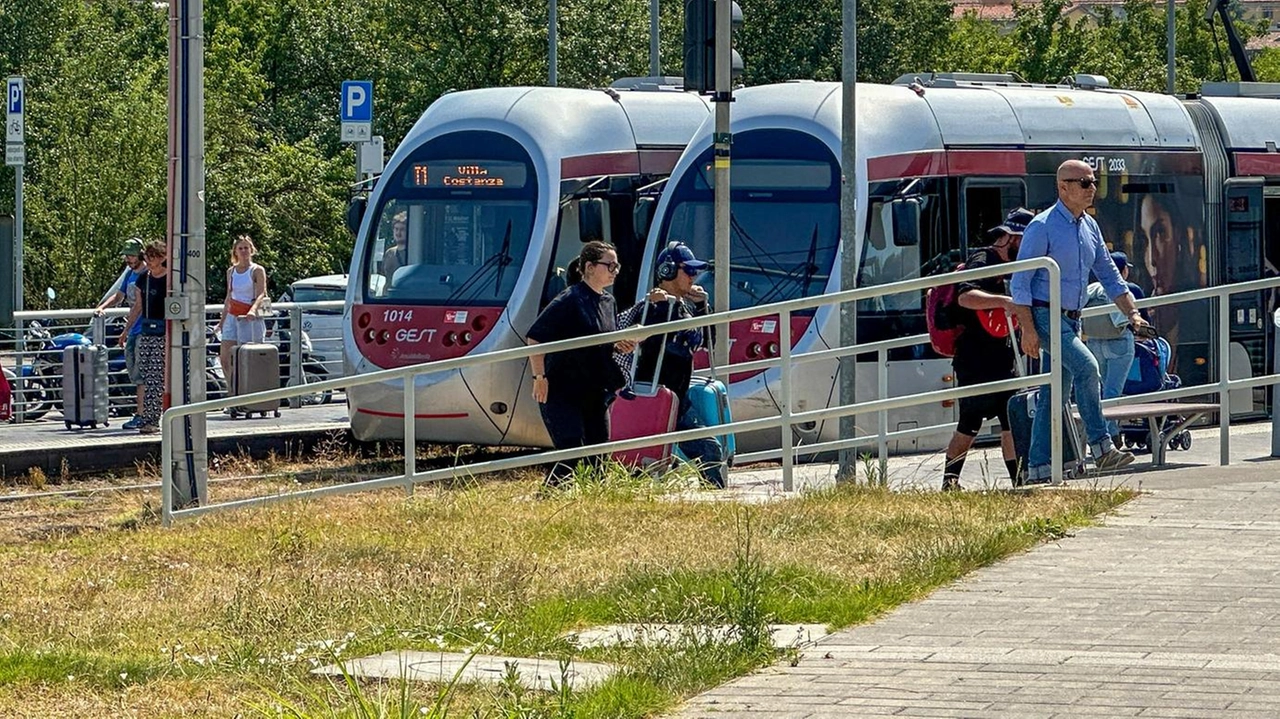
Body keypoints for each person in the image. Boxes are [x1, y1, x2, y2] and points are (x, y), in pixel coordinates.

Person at [1011, 160, 1151, 485]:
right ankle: (1102, 449)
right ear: (1063, 187)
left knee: (1053, 396)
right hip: (1045, 315)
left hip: (1072, 320)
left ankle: (1038, 470)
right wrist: (1029, 330)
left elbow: (1111, 276)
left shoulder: (1090, 226)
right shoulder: (1041, 226)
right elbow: (1020, 283)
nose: (1092, 189)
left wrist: (1133, 314)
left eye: (1093, 182)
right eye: (1084, 182)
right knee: (1088, 368)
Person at [615, 242, 726, 489]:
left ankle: (712, 494)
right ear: (668, 271)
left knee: (701, 450)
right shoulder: (652, 307)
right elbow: (672, 337)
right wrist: (665, 306)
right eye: (688, 271)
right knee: (702, 449)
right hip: (654, 395)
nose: (693, 277)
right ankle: (716, 498)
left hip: (677, 395)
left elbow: (706, 343)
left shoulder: (685, 306)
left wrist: (701, 307)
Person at [527, 241, 636, 487]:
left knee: (598, 456)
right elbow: (535, 336)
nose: (615, 271)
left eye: (617, 266)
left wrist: (619, 344)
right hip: (564, 388)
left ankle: (594, 505)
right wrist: (539, 377)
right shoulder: (570, 298)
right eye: (610, 265)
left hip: (595, 389)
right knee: (571, 451)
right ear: (589, 267)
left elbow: (601, 339)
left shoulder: (608, 301)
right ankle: (549, 499)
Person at [941, 208, 1035, 492]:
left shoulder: (1012, 265)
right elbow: (966, 296)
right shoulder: (982, 259)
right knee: (969, 424)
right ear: (1009, 238)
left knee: (1011, 421)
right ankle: (950, 483)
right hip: (975, 358)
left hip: (1002, 354)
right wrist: (1004, 301)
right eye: (1022, 240)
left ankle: (1018, 482)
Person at [1083, 252, 1140, 444]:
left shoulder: (1092, 288)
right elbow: (1138, 320)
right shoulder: (1125, 290)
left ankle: (1099, 432)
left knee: (1099, 390)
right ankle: (1110, 435)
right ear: (1121, 271)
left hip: (1094, 342)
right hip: (1119, 342)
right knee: (1113, 391)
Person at [94, 238, 148, 429]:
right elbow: (119, 295)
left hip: (143, 328)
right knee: (135, 373)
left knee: (141, 374)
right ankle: (141, 413)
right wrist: (102, 307)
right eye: (127, 255)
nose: (128, 258)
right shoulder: (130, 274)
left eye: (132, 254)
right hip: (134, 328)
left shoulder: (147, 274)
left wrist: (125, 331)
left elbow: (139, 307)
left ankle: (142, 414)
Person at [120, 242, 169, 434]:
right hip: (147, 330)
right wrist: (126, 330)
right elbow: (138, 307)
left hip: (163, 332)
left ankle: (153, 419)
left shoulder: (169, 280)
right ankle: (147, 417)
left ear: (162, 258)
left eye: (154, 257)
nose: (149, 261)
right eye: (147, 256)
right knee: (147, 375)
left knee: (156, 377)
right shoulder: (143, 279)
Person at [215, 235, 269, 390]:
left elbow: (261, 293)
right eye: (241, 248)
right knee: (225, 357)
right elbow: (229, 296)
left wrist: (252, 310)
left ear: (251, 250)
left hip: (249, 318)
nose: (244, 251)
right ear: (235, 252)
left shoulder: (257, 270)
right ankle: (233, 391)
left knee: (248, 356)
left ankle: (250, 391)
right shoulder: (231, 271)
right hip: (233, 315)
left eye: (246, 248)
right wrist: (221, 322)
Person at [381, 212, 409, 278]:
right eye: (396, 229)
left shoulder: (414, 253)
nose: (398, 233)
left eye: (402, 229)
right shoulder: (389, 253)